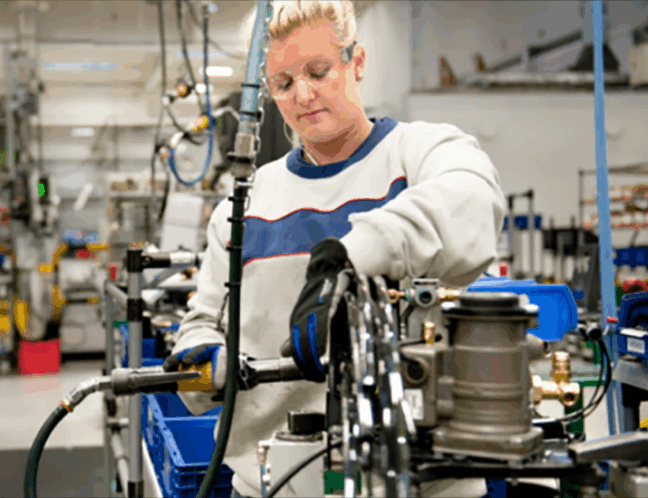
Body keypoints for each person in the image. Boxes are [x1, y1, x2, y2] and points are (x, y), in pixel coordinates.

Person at [161, 2, 506, 497]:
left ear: (357, 62)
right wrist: (203, 361)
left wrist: (350, 258)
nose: (303, 95)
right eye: (283, 83)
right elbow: (200, 327)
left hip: (422, 485)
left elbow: (472, 204)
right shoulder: (244, 206)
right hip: (274, 485)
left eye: (318, 71)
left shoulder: (420, 154)